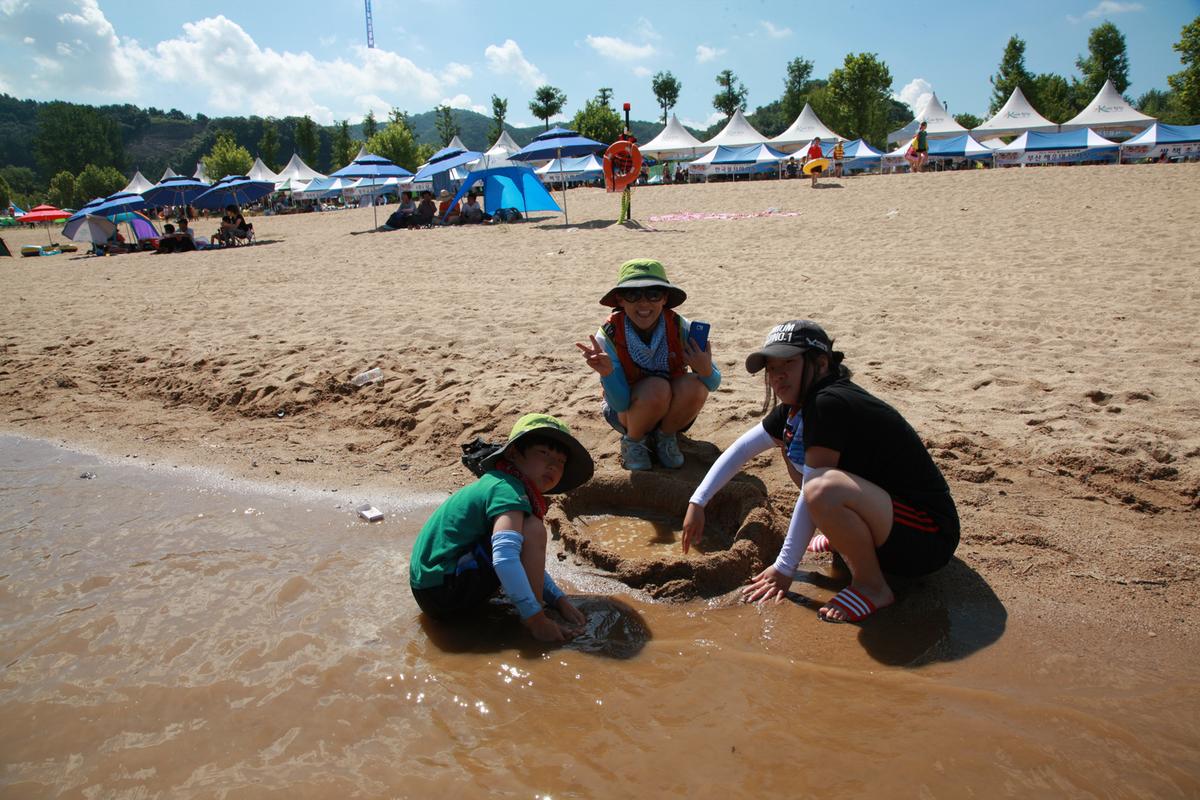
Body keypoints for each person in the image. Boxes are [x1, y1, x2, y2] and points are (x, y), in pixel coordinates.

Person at [681, 320, 959, 623]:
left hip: (928, 536)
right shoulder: (796, 407)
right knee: (794, 451)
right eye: (771, 368)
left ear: (821, 363)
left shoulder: (829, 402)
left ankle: (872, 586)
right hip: (889, 520)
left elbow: (814, 487)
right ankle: (845, 534)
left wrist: (785, 569)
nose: (777, 375)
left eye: (788, 362)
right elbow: (741, 450)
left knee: (821, 489)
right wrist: (698, 502)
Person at [408, 413, 595, 642]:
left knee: (526, 532)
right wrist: (536, 618)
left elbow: (520, 555)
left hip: (433, 589)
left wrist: (558, 598)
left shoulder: (502, 481)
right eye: (544, 453)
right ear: (514, 453)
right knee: (534, 528)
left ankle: (532, 607)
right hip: (444, 590)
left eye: (560, 461)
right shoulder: (508, 489)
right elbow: (505, 556)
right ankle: (533, 618)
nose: (552, 465)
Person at [576, 259, 720, 471]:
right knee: (656, 388)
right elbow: (620, 404)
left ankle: (665, 438)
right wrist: (608, 374)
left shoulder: (681, 327)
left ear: (664, 298)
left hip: (671, 411)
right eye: (632, 294)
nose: (643, 303)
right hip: (627, 412)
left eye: (653, 294)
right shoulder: (609, 335)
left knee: (696, 384)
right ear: (620, 300)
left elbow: (713, 383)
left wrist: (706, 369)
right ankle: (633, 442)